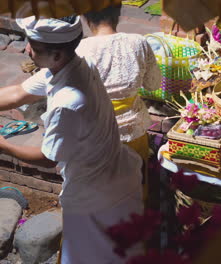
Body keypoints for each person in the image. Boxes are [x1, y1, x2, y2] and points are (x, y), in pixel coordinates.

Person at [0, 16, 144, 263]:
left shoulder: (69, 102)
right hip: (114, 177)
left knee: (92, 256)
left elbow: (47, 158)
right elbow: (18, 93)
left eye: (33, 46)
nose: (26, 49)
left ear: (56, 54)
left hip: (97, 195)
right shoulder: (74, 63)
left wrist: (2, 145)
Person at [76, 5, 160, 204]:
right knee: (135, 188)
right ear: (118, 12)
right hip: (134, 130)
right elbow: (153, 84)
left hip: (96, 135)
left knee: (102, 194)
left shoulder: (79, 50)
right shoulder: (138, 42)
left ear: (85, 17)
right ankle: (137, 228)